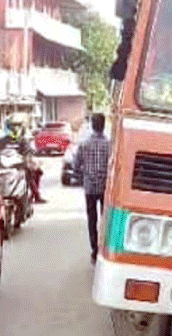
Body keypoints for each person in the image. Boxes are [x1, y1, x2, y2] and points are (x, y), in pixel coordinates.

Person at [73, 113, 111, 264]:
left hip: (89, 187)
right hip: (104, 187)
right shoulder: (109, 145)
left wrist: (83, 175)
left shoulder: (84, 144)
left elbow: (76, 165)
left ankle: (94, 250)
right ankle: (104, 247)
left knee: (92, 219)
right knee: (105, 218)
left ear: (92, 125)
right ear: (103, 125)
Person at [0, 115, 47, 203]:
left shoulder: (22, 140)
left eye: (18, 125)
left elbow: (28, 152)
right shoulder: (2, 141)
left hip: (20, 166)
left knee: (35, 172)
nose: (15, 128)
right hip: (5, 166)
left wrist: (28, 159)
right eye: (13, 125)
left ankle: (36, 195)